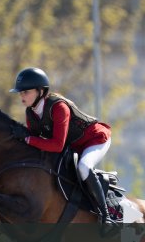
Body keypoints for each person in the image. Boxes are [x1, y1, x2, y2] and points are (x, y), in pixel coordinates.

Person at [9, 67, 113, 223]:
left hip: (95, 139)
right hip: (74, 147)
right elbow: (36, 143)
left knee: (84, 167)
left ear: (40, 91)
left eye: (26, 92)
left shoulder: (58, 107)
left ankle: (106, 216)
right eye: (20, 92)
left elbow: (57, 145)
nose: (21, 96)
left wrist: (28, 139)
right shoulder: (31, 113)